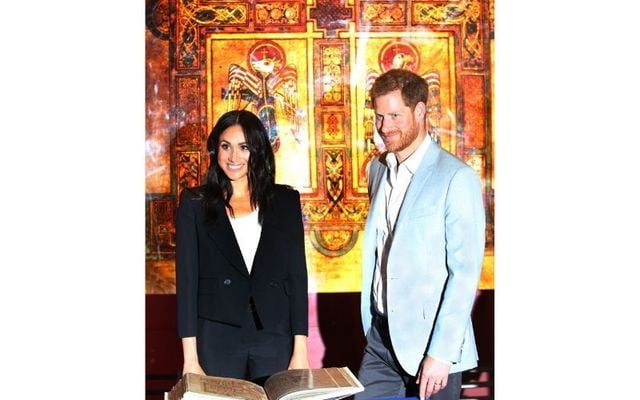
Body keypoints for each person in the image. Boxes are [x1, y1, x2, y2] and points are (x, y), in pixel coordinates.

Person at [355, 69, 485, 400]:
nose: (386, 127)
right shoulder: (378, 170)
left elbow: (464, 273)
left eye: (395, 115)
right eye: (380, 116)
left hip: (432, 345)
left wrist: (440, 353)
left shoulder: (456, 178)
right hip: (380, 339)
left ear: (421, 111)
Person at [176, 109, 309, 384]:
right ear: (216, 150)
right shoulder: (194, 203)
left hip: (274, 334)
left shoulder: (284, 202)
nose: (233, 157)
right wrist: (190, 358)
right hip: (216, 335)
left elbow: (296, 278)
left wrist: (301, 349)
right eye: (226, 146)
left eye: (243, 147)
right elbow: (187, 283)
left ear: (257, 151)